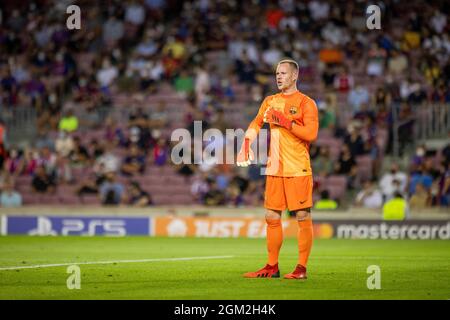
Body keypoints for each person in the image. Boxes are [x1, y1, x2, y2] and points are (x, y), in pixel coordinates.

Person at [237, 59, 318, 280]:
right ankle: (271, 267)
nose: (278, 77)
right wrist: (246, 144)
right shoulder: (270, 101)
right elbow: (256, 123)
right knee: (271, 215)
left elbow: (311, 134)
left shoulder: (306, 103)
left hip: (297, 168)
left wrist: (285, 121)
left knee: (302, 215)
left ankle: (301, 269)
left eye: (283, 73)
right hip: (274, 167)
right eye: (276, 73)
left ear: (294, 76)